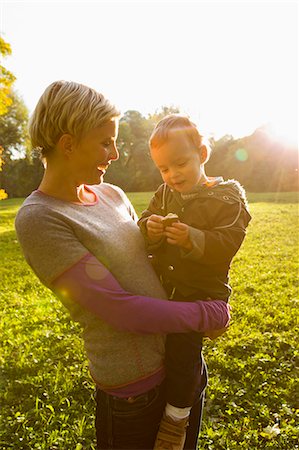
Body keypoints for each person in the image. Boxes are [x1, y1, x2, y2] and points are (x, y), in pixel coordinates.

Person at [14, 81, 230, 450]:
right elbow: (118, 309)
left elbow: (148, 265)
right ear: (67, 144)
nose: (114, 153)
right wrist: (203, 315)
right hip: (136, 389)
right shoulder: (40, 218)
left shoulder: (111, 194)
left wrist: (164, 237)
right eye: (104, 142)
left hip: (182, 365)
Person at [138, 114, 252, 449]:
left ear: (202, 154)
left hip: (200, 294)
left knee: (183, 349)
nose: (172, 175)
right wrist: (150, 228)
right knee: (158, 347)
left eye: (180, 164)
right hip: (165, 288)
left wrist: (192, 239)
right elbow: (144, 222)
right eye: (163, 169)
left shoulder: (228, 198)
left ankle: (176, 418)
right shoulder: (164, 193)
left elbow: (227, 245)